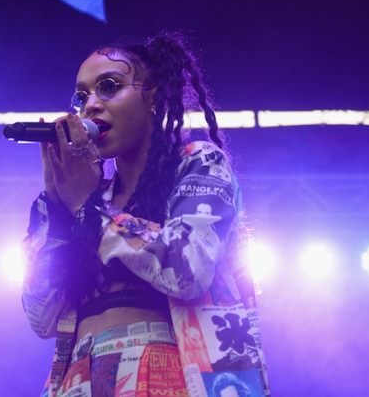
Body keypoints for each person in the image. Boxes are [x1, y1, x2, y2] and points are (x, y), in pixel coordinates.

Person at [22, 31, 270, 397]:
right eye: (81, 95)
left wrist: (90, 208)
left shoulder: (199, 163)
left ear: (152, 95)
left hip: (170, 376)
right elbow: (40, 317)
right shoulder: (90, 196)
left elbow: (191, 269)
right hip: (78, 381)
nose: (89, 105)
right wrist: (59, 209)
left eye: (108, 86)